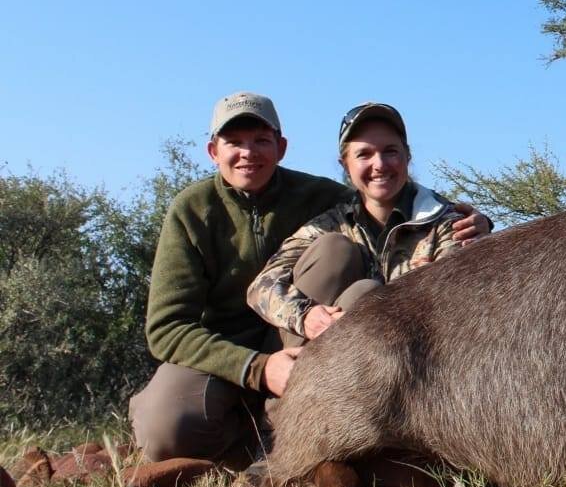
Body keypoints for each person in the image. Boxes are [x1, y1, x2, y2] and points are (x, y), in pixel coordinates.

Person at [128, 92, 490, 464]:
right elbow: (168, 327)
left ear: (281, 147)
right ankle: (261, 438)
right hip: (226, 353)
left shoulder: (330, 197)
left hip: (350, 350)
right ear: (212, 151)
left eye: (261, 141)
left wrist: (481, 228)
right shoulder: (195, 210)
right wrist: (263, 362)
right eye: (234, 143)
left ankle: (297, 437)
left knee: (364, 293)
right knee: (166, 434)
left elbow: (392, 202)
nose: (248, 153)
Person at [246, 102, 478, 351]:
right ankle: (294, 382)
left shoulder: (449, 222)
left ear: (407, 156)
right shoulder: (332, 224)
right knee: (335, 251)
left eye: (390, 151)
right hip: (325, 357)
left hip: (412, 357)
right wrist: (306, 316)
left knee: (366, 294)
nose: (379, 165)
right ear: (345, 164)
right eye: (364, 154)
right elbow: (261, 288)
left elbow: (454, 306)